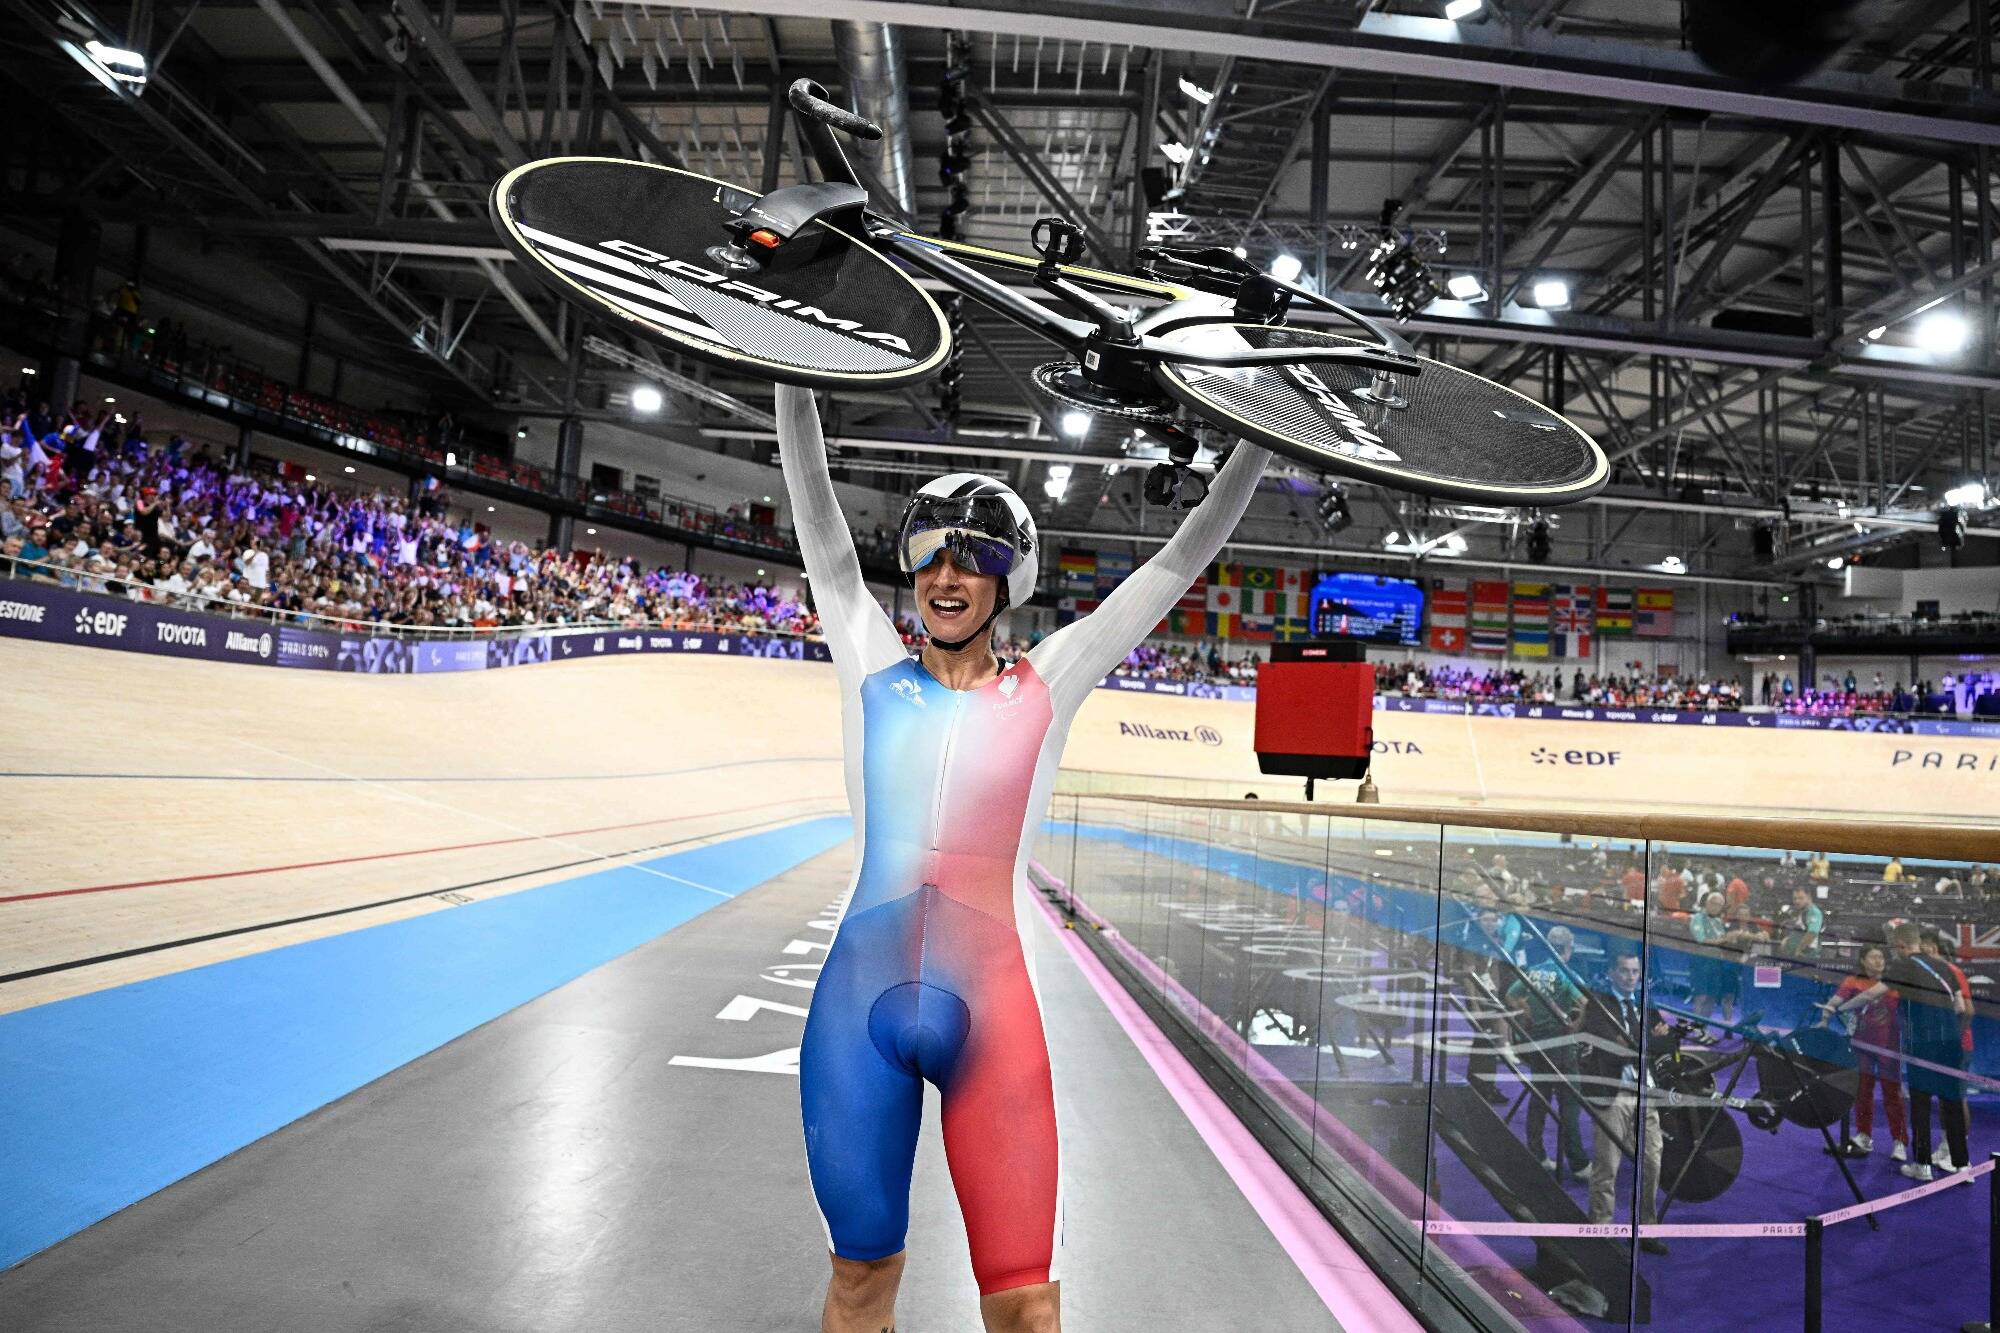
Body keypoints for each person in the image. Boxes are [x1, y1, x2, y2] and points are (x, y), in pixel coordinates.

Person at [779, 385, 1269, 1333]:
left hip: (988, 1018)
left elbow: (1176, 561)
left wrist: (1257, 438)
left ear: (1012, 579)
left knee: (1025, 1306)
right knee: (860, 1281)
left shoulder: (1053, 682)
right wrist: (789, 362)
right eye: (929, 556)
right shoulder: (870, 663)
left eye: (975, 559)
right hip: (856, 1015)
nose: (947, 576)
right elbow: (820, 523)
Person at [1581, 951, 1673, 1253]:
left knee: (1652, 1162)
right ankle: (1600, 1232)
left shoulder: (1645, 1006)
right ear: (1612, 973)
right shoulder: (1598, 1005)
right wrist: (1648, 1040)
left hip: (1645, 1091)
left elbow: (1668, 1043)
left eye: (1635, 972)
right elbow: (1613, 1050)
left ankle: (1646, 1229)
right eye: (1624, 971)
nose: (1630, 977)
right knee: (1607, 1166)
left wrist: (1641, 1042)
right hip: (1613, 1093)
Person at [1883, 922, 1969, 1181]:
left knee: (1920, 1105)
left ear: (1900, 945)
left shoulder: (1902, 965)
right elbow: (1961, 1008)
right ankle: (1962, 1166)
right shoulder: (1946, 967)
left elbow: (1877, 992)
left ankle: (1922, 1165)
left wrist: (1836, 1008)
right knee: (1952, 1103)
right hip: (1950, 1044)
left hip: (1922, 1045)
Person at [1503, 925, 1590, 1181]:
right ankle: (1578, 1164)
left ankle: (1537, 1154)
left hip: (1538, 1042)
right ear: (1568, 947)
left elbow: (1511, 995)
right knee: (1570, 1103)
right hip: (1561, 1046)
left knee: (1539, 1099)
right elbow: (1585, 1003)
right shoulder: (1566, 974)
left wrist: (1529, 1014)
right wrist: (1575, 1027)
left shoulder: (1534, 971)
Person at [1817, 943, 1907, 1161]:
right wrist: (1824, 1019)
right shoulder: (1853, 981)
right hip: (1861, 1045)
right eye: (1874, 957)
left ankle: (1900, 1142)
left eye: (1882, 958)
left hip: (1889, 1046)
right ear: (1863, 961)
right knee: (1863, 1091)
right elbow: (1836, 1001)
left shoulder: (1893, 982)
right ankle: (1864, 1135)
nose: (1879, 961)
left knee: (1892, 1094)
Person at [1780, 885, 1824, 959]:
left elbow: (1812, 933)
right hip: (1795, 957)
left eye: (1801, 898)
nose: (1797, 901)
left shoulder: (1813, 912)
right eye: (1795, 898)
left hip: (1807, 958)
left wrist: (1799, 949)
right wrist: (1788, 940)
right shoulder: (1802, 912)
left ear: (1809, 897)